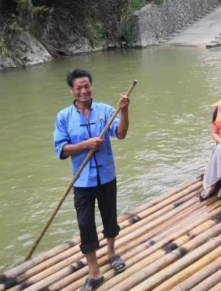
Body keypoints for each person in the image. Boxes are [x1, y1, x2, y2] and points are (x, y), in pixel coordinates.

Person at [53, 69, 130, 291]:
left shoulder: (106, 111)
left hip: (106, 176)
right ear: (72, 90)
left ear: (91, 86)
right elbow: (61, 149)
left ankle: (112, 252)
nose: (84, 90)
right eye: (79, 87)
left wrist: (124, 112)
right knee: (85, 224)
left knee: (109, 217)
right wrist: (85, 145)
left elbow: (122, 134)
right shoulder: (63, 117)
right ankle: (94, 270)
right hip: (82, 181)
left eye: (87, 86)